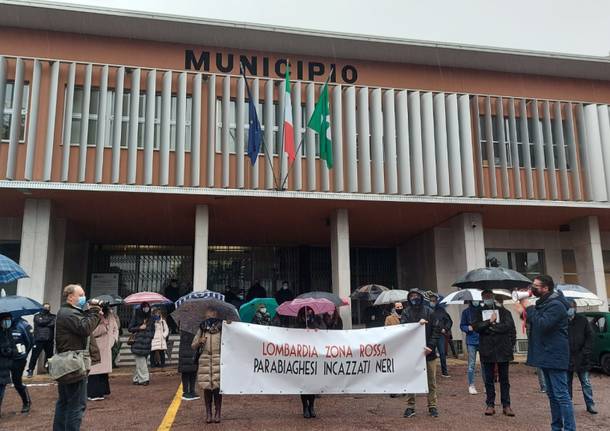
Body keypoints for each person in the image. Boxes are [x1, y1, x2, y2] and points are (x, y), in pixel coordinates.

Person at [516, 275, 575, 431]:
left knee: (561, 396)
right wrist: (524, 313)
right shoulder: (544, 303)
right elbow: (537, 322)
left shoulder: (556, 305)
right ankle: (556, 427)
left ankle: (569, 428)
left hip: (554, 354)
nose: (532, 289)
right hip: (545, 354)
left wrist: (528, 308)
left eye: (536, 286)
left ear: (546, 288)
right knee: (552, 395)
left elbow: (543, 324)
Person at [53, 284, 103, 431]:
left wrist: (90, 313)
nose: (83, 297)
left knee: (64, 402)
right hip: (73, 364)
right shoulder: (68, 313)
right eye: (80, 295)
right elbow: (85, 328)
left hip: (67, 362)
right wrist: (94, 311)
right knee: (76, 404)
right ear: (70, 297)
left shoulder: (67, 312)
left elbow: (83, 325)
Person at [472, 289, 516, 417]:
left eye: (489, 296)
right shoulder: (478, 312)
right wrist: (489, 322)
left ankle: (506, 405)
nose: (487, 298)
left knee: (504, 379)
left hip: (503, 349)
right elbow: (477, 327)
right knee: (489, 380)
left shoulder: (504, 311)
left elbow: (508, 327)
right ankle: (490, 404)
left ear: (493, 297)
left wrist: (492, 328)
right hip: (487, 349)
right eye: (485, 296)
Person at [401, 288, 441, 418]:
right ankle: (410, 406)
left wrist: (430, 346)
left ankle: (432, 406)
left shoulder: (430, 311)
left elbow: (436, 330)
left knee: (431, 381)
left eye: (416, 296)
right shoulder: (406, 312)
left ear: (420, 297)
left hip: (428, 353)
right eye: (411, 296)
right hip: (412, 353)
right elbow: (403, 329)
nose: (414, 298)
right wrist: (416, 325)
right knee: (411, 380)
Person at [191, 309, 224, 423]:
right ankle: (208, 413)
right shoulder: (202, 328)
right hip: (205, 360)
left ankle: (218, 413)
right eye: (207, 314)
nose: (209, 316)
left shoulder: (222, 328)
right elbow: (193, 345)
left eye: (211, 314)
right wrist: (199, 341)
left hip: (218, 359)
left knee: (217, 388)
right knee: (207, 388)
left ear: (216, 315)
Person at [566, 299, 597, 414]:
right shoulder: (562, 321)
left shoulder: (582, 320)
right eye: (567, 307)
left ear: (575, 308)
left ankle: (590, 405)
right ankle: (568, 406)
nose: (569, 309)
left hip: (582, 357)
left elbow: (590, 336)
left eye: (571, 307)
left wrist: (585, 351)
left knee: (586, 382)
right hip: (567, 357)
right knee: (567, 383)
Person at [87, 305, 119, 401]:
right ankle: (102, 391)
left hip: (98, 347)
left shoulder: (101, 317)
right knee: (101, 372)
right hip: (103, 346)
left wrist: (112, 340)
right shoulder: (109, 316)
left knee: (95, 372)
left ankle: (95, 393)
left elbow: (93, 332)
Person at [295, 306, 320, 418]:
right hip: (302, 356)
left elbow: (322, 329)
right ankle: (305, 406)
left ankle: (312, 406)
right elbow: (292, 334)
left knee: (313, 383)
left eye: (310, 311)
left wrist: (315, 329)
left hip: (313, 356)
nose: (308, 313)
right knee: (304, 384)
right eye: (306, 311)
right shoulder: (298, 323)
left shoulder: (316, 320)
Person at [460, 300, 483, 395]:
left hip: (483, 339)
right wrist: (467, 328)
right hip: (471, 341)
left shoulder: (483, 310)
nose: (475, 301)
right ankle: (471, 385)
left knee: (485, 365)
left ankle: (487, 385)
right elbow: (462, 325)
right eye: (474, 300)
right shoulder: (466, 312)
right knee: (471, 365)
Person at [128, 302, 154, 386]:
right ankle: (144, 379)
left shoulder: (151, 318)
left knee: (141, 362)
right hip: (138, 343)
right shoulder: (136, 316)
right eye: (144, 307)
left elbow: (153, 329)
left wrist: (150, 336)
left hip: (147, 343)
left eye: (147, 307)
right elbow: (130, 328)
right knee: (141, 361)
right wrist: (139, 328)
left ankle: (136, 378)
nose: (146, 309)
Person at [26, 302, 55, 377]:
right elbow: (40, 322)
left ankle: (49, 370)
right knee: (34, 356)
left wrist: (44, 323)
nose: (47, 309)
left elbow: (53, 323)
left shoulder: (53, 316)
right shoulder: (37, 316)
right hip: (38, 339)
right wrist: (48, 322)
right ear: (42, 308)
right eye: (45, 307)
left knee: (50, 357)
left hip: (49, 339)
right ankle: (30, 370)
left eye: (48, 307)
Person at [429, 293, 452, 378]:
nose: (432, 302)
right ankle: (431, 373)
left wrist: (445, 329)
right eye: (431, 300)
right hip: (430, 335)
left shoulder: (442, 310)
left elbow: (449, 321)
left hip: (440, 335)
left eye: (434, 300)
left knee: (442, 353)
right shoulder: (426, 310)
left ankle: (444, 372)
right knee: (430, 353)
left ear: (437, 301)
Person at [0, 313, 17, 417]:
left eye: (9, 319)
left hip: (5, 368)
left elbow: (14, 349)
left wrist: (10, 351)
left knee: (1, 393)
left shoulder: (8, 332)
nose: (7, 322)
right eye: (5, 319)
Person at [178, 327, 199, 401]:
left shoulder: (196, 328)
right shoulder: (185, 329)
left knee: (193, 372)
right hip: (186, 353)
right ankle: (186, 392)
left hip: (193, 352)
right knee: (186, 373)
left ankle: (192, 391)